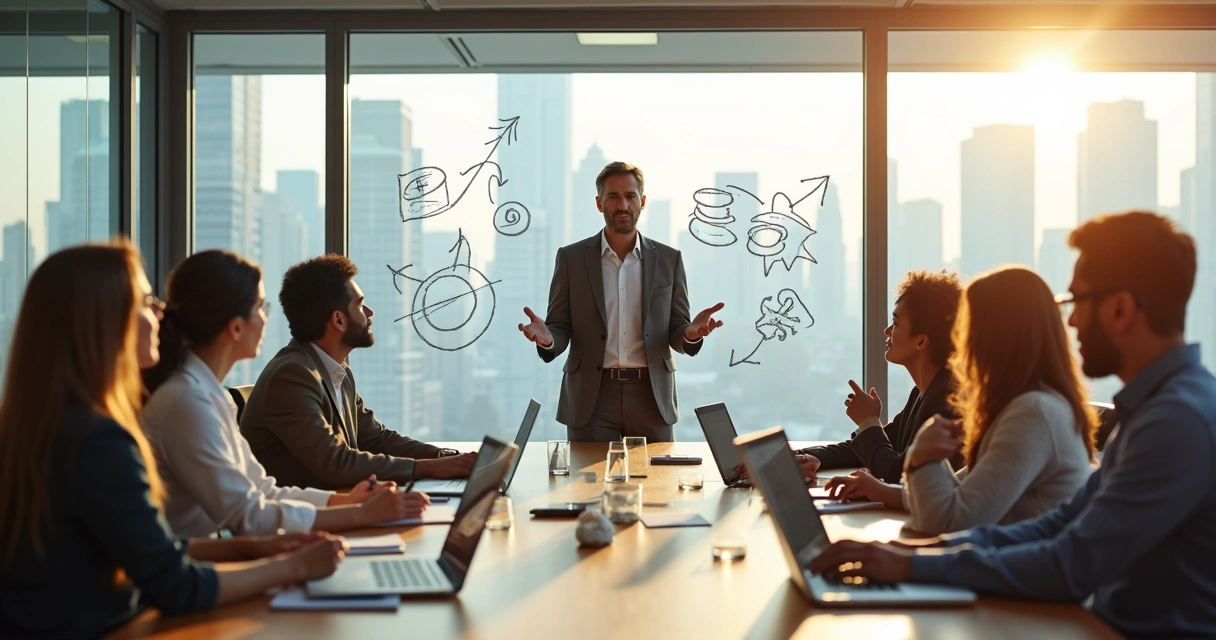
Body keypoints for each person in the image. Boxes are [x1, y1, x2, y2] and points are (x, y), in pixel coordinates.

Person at [809, 212, 1216, 638]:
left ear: (1120, 309)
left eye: (1076, 302)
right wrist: (925, 553)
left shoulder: (1176, 423)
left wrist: (913, 562)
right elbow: (1060, 523)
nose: (1070, 322)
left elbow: (1071, 564)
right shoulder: (1155, 410)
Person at [0, 242, 343, 639]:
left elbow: (151, 547)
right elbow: (176, 587)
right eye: (146, 301)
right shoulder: (98, 441)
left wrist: (255, 549)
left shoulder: (51, 427)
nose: (161, 311)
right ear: (107, 321)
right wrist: (297, 566)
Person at [142, 250, 430, 538]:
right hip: (200, 570)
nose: (266, 320)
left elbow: (263, 490)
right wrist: (359, 513)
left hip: (213, 559)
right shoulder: (188, 402)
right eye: (260, 308)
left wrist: (346, 502)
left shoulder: (208, 395)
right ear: (236, 327)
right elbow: (247, 514)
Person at [832, 267, 1095, 533]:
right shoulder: (1028, 405)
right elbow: (962, 491)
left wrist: (923, 457)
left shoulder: (1034, 413)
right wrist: (882, 491)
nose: (958, 338)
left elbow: (950, 520)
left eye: (968, 326)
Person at [518, 161, 724, 442]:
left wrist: (690, 333)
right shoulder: (571, 259)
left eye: (630, 196)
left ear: (643, 201)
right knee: (587, 486)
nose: (622, 205)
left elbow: (677, 328)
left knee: (659, 483)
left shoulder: (668, 259)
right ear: (599, 203)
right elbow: (560, 327)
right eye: (613, 196)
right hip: (592, 396)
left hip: (652, 396)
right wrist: (548, 339)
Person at [240, 254, 476, 490]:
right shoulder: (291, 376)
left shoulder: (336, 370)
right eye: (361, 305)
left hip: (334, 509)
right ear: (339, 320)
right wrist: (429, 468)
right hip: (297, 521)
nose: (370, 313)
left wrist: (446, 457)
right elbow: (336, 463)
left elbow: (376, 439)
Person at [796, 269, 963, 483]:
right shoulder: (923, 392)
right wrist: (810, 457)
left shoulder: (948, 401)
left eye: (896, 323)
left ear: (921, 341)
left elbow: (898, 474)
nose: (886, 331)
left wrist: (868, 421)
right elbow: (876, 447)